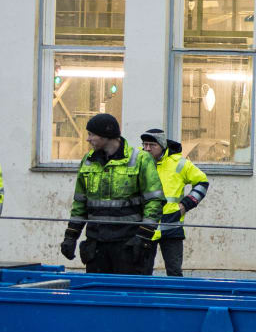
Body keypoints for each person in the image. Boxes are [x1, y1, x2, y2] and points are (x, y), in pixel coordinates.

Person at [60, 112, 162, 275]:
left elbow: (154, 201)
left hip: (128, 244)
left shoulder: (140, 159)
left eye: (91, 134)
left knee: (127, 290)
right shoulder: (88, 161)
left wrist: (143, 237)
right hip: (96, 245)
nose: (88, 139)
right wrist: (71, 236)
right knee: (98, 290)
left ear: (105, 135)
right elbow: (80, 203)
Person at [139, 128, 209, 277]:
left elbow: (202, 182)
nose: (147, 148)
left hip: (171, 225)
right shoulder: (138, 161)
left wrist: (186, 205)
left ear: (162, 145)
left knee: (175, 273)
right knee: (142, 272)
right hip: (145, 226)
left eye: (152, 145)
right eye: (145, 144)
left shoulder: (179, 163)